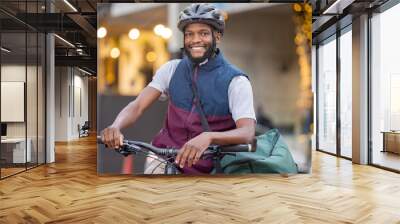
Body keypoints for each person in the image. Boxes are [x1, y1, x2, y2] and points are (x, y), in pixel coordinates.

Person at [101, 3, 256, 174]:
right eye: (189, 34)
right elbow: (138, 106)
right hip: (163, 159)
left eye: (203, 33)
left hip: (208, 168)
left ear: (217, 37)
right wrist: (116, 126)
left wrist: (210, 137)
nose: (195, 39)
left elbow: (247, 132)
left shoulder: (236, 81)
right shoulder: (171, 69)